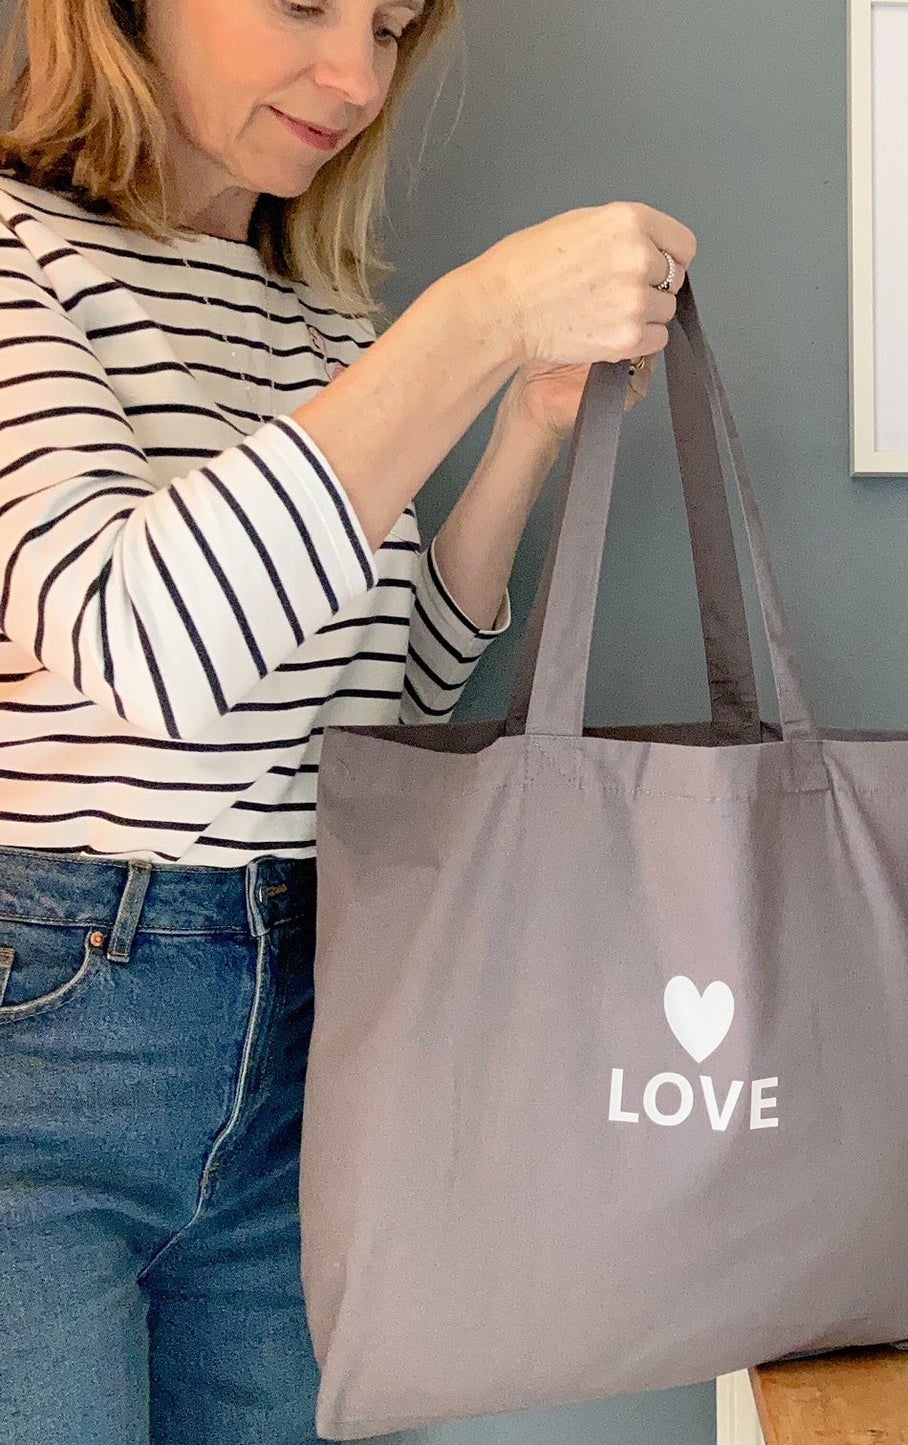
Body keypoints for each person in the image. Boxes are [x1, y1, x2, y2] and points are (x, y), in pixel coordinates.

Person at [0, 0, 697, 1439]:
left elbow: (383, 705)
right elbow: (145, 649)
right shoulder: (20, 263)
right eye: (306, 6)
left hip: (313, 1037)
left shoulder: (318, 321)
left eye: (386, 26)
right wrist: (475, 316)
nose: (357, 78)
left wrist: (518, 431)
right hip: (52, 1043)